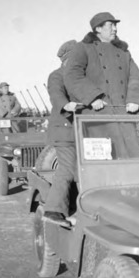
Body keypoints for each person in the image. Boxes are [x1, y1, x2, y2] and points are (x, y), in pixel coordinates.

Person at [64, 12, 139, 159]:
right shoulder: (83, 48)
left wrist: (134, 99)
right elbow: (72, 75)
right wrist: (93, 98)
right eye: (111, 25)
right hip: (97, 118)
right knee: (105, 162)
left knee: (134, 158)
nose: (115, 29)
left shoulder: (123, 51)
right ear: (98, 29)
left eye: (115, 25)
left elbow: (135, 77)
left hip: (124, 115)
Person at [43, 40, 81, 228]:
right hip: (64, 131)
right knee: (67, 168)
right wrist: (66, 104)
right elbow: (56, 94)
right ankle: (53, 210)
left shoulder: (81, 77)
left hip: (82, 132)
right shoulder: (57, 76)